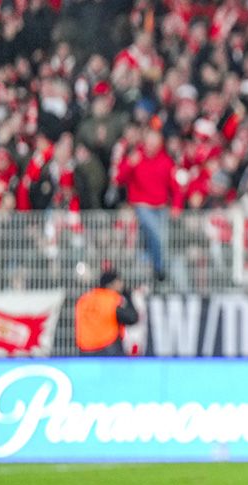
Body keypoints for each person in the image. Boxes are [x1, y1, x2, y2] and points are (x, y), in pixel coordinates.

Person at [115, 129, 176, 282]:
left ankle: (156, 270)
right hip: (141, 206)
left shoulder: (166, 161)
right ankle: (159, 269)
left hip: (160, 207)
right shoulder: (136, 157)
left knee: (156, 240)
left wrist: (177, 205)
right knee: (156, 234)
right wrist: (129, 163)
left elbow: (175, 186)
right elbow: (119, 178)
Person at [74, 269, 139, 356]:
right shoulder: (112, 299)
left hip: (84, 350)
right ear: (111, 284)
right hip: (107, 349)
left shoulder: (84, 299)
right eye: (119, 282)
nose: (122, 285)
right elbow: (132, 318)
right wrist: (128, 295)